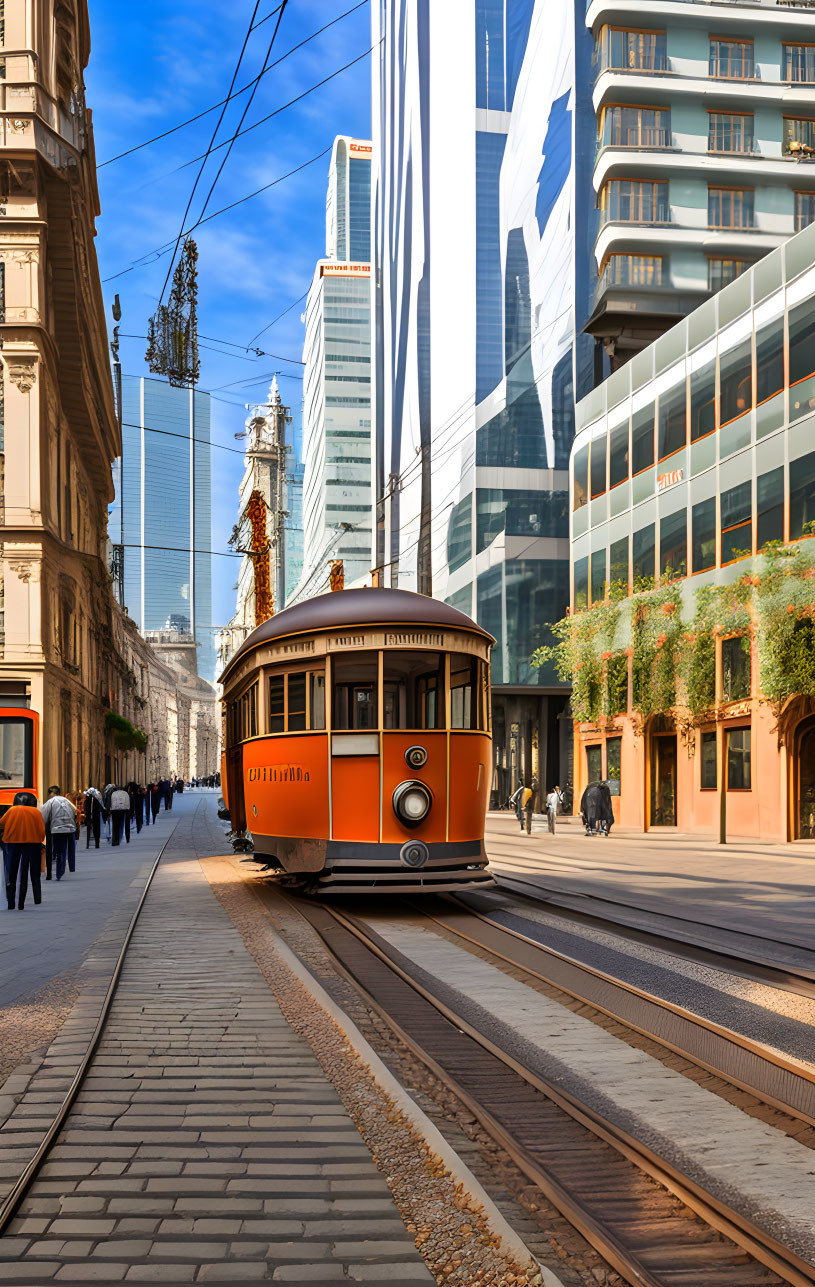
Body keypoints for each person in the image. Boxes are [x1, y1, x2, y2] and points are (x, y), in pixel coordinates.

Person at [1, 791, 46, 910]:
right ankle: (33, 899)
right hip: (33, 844)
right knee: (32, 873)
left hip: (13, 844)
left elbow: (1, 823)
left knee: (12, 872)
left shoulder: (12, 810)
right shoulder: (36, 812)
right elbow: (42, 830)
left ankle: (11, 903)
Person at [40, 786, 78, 881]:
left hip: (57, 829)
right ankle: (70, 867)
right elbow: (75, 812)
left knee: (59, 851)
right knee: (67, 848)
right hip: (70, 828)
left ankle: (59, 872)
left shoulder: (51, 802)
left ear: (51, 793)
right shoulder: (67, 801)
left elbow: (42, 816)